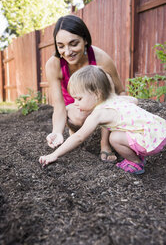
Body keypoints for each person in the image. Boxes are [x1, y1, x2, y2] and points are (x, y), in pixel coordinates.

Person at [39, 65, 166, 174]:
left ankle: (135, 163)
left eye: (79, 99)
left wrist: (54, 154)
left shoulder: (99, 113)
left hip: (149, 141)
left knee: (114, 138)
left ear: (97, 94)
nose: (75, 103)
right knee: (120, 134)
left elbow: (78, 137)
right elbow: (134, 100)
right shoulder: (116, 99)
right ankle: (137, 152)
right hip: (158, 130)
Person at [45, 14, 125, 163]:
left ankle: (104, 144)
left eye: (73, 43)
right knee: (79, 115)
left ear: (85, 40)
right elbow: (59, 106)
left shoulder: (101, 59)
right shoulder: (53, 65)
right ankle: (75, 133)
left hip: (102, 106)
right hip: (75, 109)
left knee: (108, 101)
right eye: (61, 46)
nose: (67, 52)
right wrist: (57, 132)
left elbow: (119, 92)